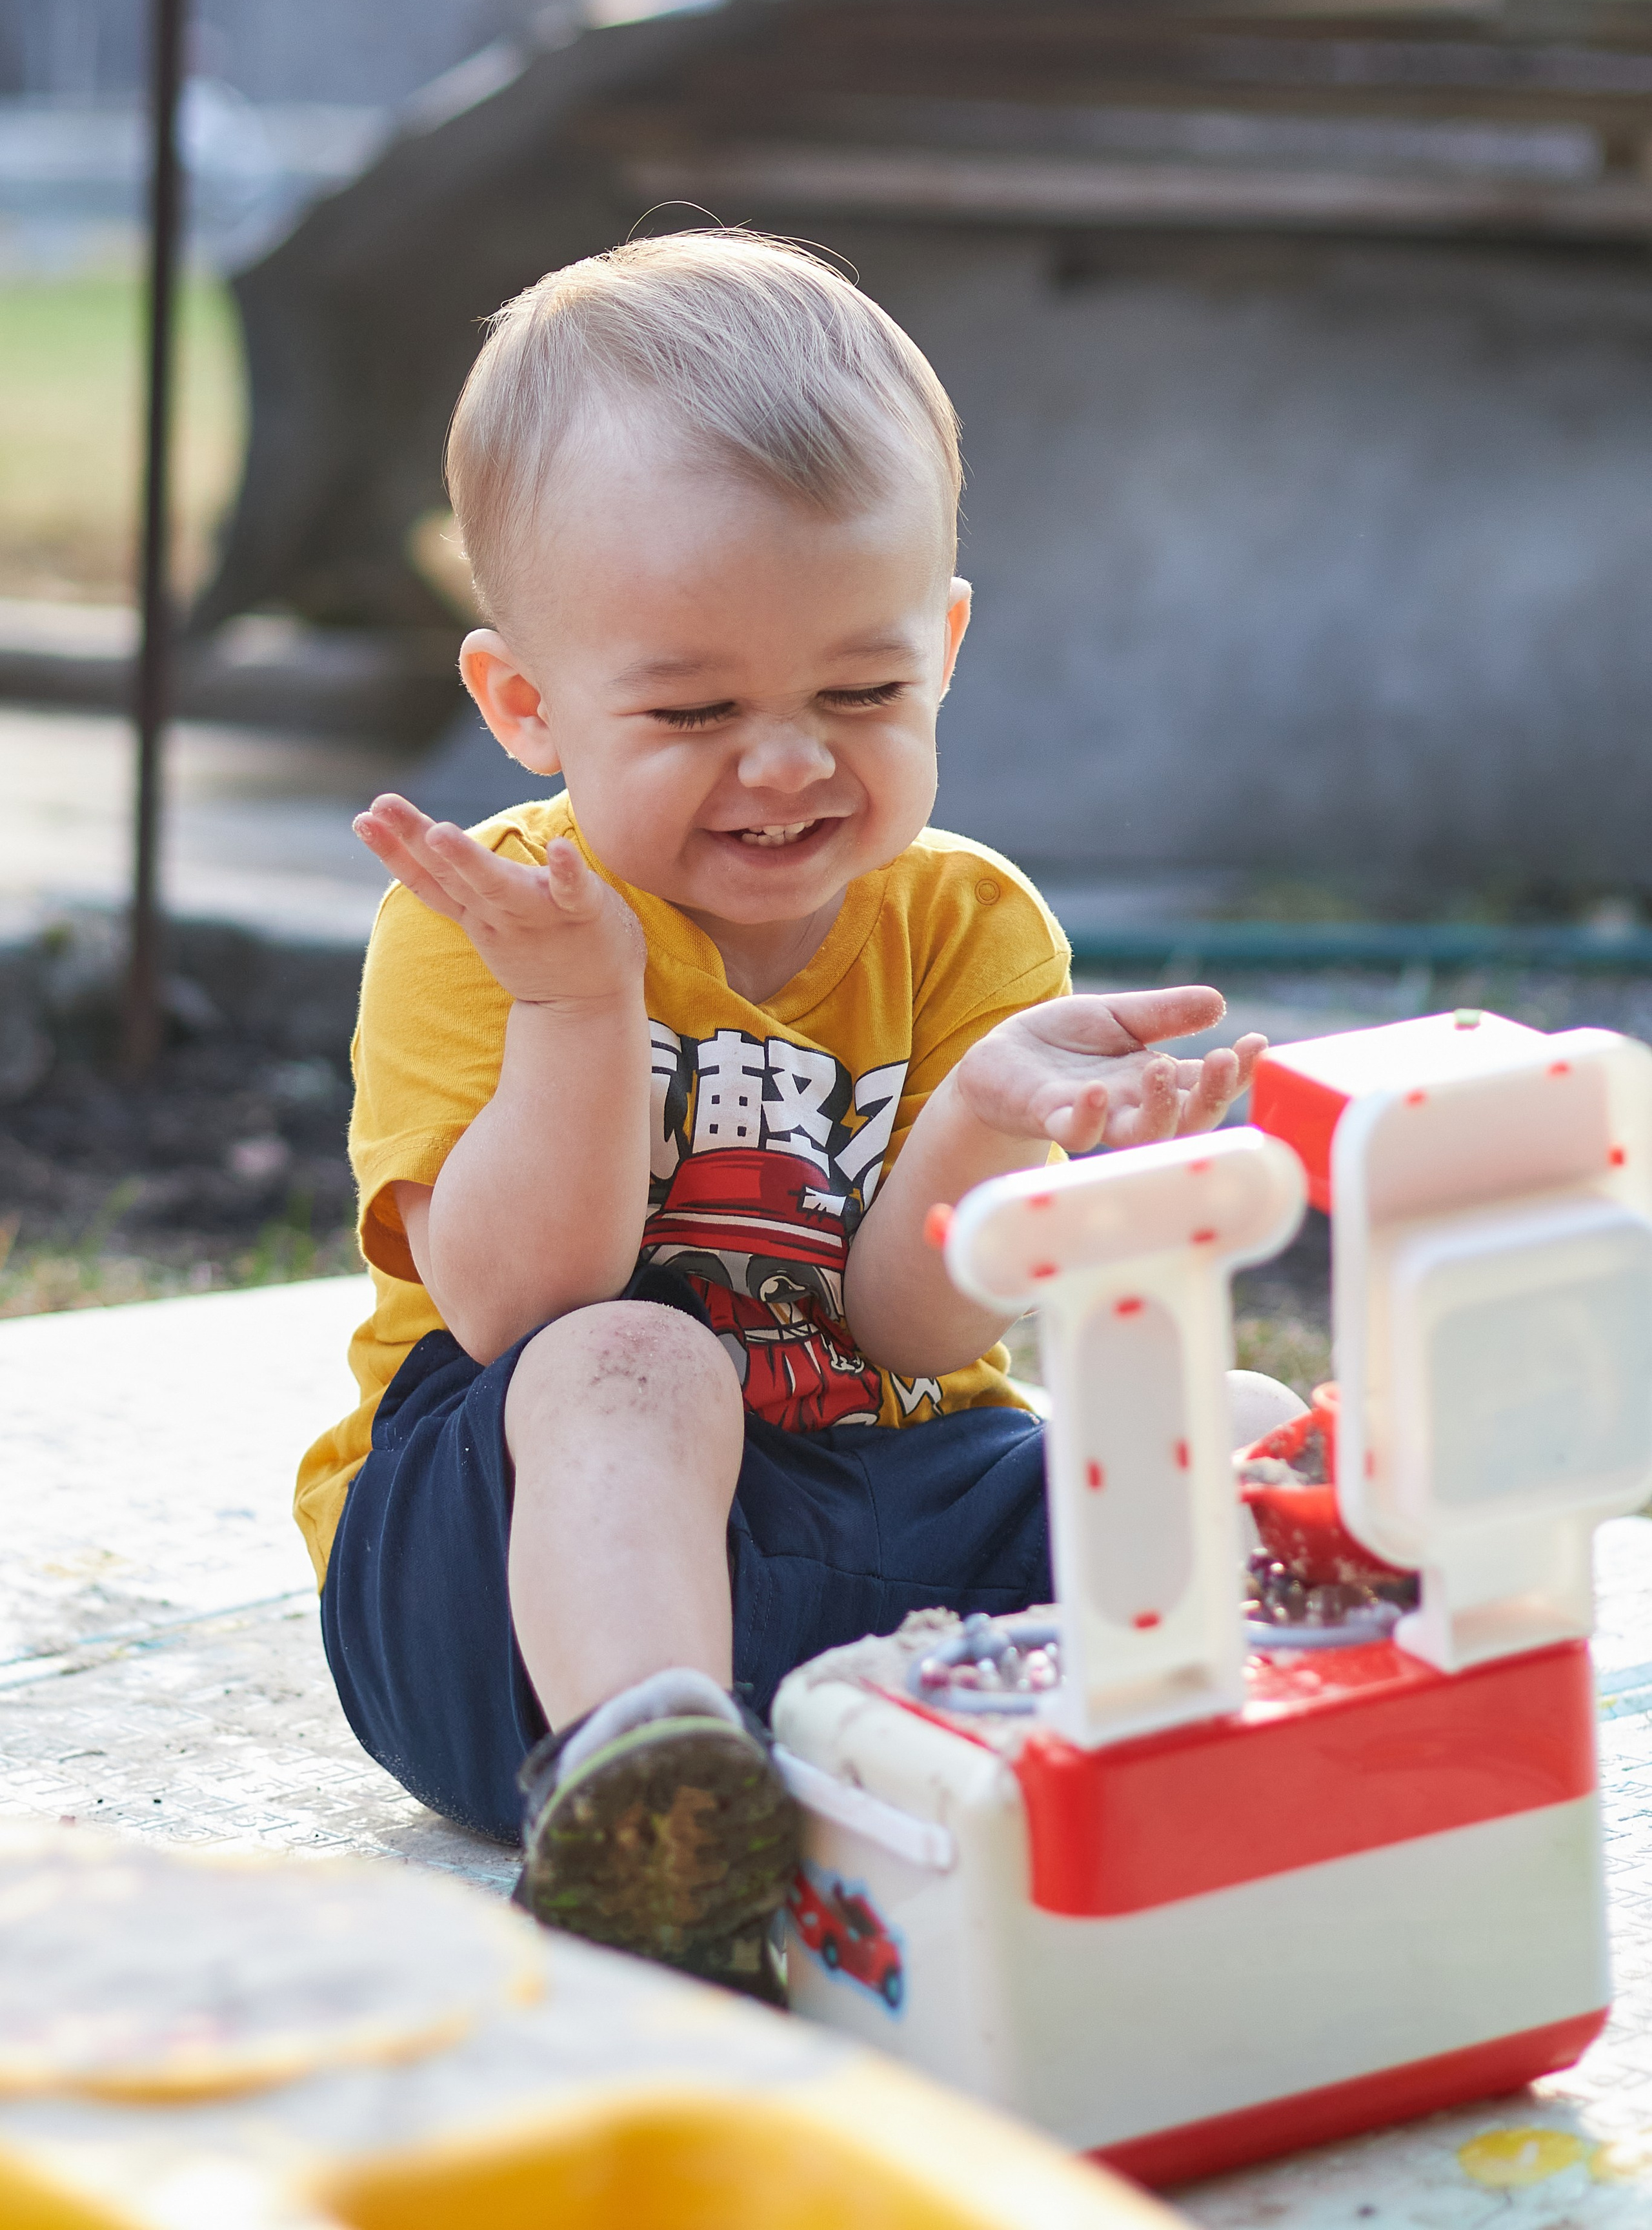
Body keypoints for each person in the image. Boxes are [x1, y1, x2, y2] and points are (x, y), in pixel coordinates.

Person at [297, 230, 1264, 1994]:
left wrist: (980, 1117)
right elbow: (518, 1310)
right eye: (693, 709)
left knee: (1202, 1425)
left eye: (861, 692)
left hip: (862, 1511)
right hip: (504, 1579)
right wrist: (581, 1007)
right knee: (636, 1359)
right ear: (527, 704)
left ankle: (1065, 1753)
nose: (792, 761)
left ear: (946, 646)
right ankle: (650, 1798)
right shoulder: (487, 922)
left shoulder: (969, 924)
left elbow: (908, 1325)